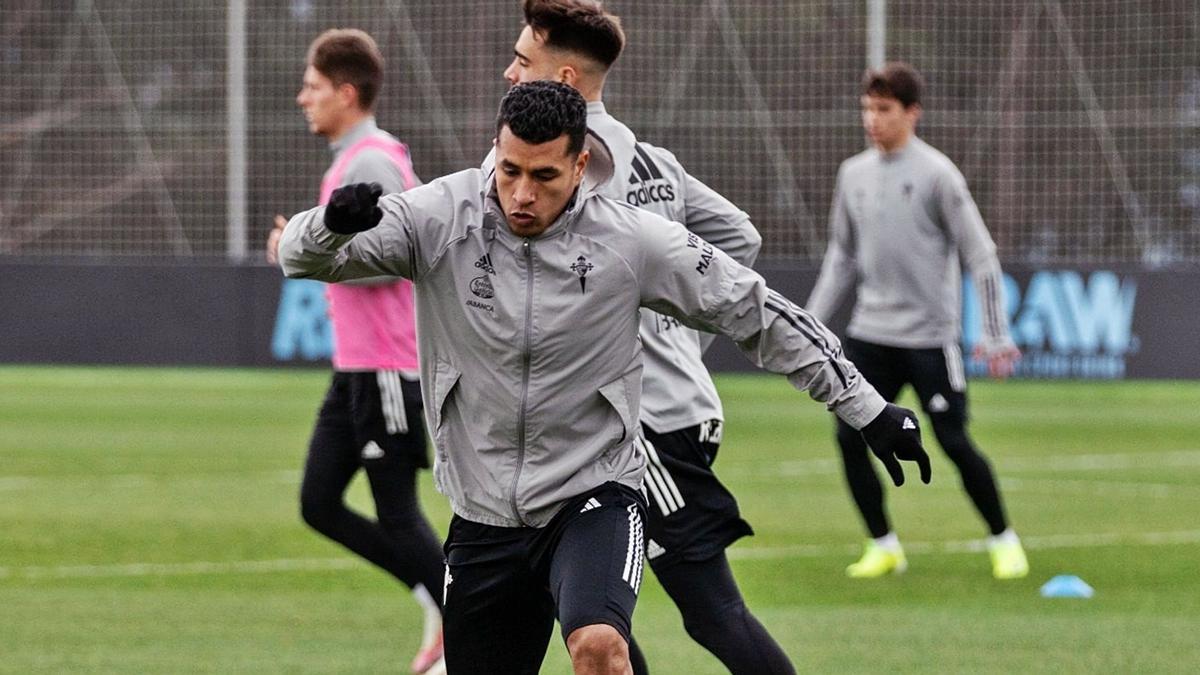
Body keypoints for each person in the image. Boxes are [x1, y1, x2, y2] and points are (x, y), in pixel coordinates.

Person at [278, 81, 930, 675]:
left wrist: (867, 408)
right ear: (494, 154)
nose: (522, 193)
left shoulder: (631, 241)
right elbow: (302, 255)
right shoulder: (440, 217)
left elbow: (756, 311)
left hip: (593, 498)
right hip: (482, 518)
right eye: (508, 170)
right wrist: (329, 224)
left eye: (544, 175)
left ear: (581, 166)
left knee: (599, 646)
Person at [493, 2, 790, 672]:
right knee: (583, 603)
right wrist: (680, 339)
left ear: (563, 77)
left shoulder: (580, 160)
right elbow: (739, 238)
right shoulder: (649, 155)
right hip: (655, 405)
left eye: (522, 59)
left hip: (645, 419)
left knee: (711, 608)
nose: (509, 71)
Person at [264, 29, 445, 674]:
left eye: (312, 87)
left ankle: (469, 621)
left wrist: (302, 254)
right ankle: (441, 601)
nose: (301, 99)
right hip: (357, 369)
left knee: (397, 514)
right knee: (318, 502)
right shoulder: (355, 158)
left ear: (346, 91)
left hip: (388, 366)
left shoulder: (370, 162)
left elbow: (394, 260)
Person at [806, 61, 1029, 580]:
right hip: (870, 335)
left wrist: (995, 333)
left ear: (912, 113)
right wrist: (809, 323)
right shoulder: (852, 174)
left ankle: (1004, 539)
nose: (872, 119)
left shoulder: (938, 175)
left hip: (930, 339)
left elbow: (981, 256)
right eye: (867, 108)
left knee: (952, 440)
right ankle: (883, 545)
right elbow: (842, 257)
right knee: (848, 436)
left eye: (883, 110)